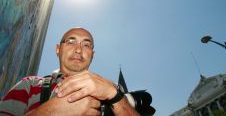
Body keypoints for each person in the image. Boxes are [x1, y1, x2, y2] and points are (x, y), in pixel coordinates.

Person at [0, 27, 140, 116]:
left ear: (92, 54)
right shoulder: (30, 85)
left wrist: (115, 97)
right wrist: (51, 112)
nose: (78, 50)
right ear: (58, 49)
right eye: (71, 42)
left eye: (86, 45)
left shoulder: (111, 91)